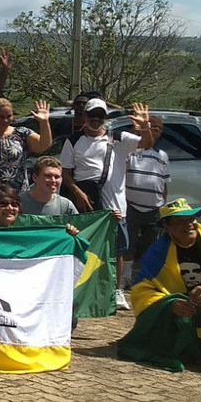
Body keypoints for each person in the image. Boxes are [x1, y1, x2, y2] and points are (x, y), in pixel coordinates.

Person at [61, 99, 154, 310]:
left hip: (114, 203)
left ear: (106, 118)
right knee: (85, 245)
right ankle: (82, 288)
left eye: (100, 115)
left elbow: (146, 143)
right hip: (86, 202)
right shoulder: (73, 140)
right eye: (92, 114)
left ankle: (117, 290)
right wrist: (77, 192)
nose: (95, 119)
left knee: (117, 248)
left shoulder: (119, 139)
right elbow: (66, 171)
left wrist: (145, 125)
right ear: (84, 116)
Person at [122, 198, 201, 370]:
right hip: (184, 315)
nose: (188, 225)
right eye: (179, 222)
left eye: (191, 220)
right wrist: (171, 305)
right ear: (167, 227)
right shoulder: (157, 253)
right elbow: (141, 290)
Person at [0, 98, 52, 190]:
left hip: (19, 194)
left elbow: (44, 145)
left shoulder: (22, 133)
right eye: (1, 117)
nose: (5, 120)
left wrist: (44, 122)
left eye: (9, 116)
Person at [125, 115, 169, 282]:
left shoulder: (163, 155)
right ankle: (127, 278)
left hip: (154, 208)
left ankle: (145, 279)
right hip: (132, 205)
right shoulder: (133, 151)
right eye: (153, 127)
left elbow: (164, 182)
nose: (156, 131)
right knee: (129, 243)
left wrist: (162, 205)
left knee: (150, 245)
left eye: (159, 129)